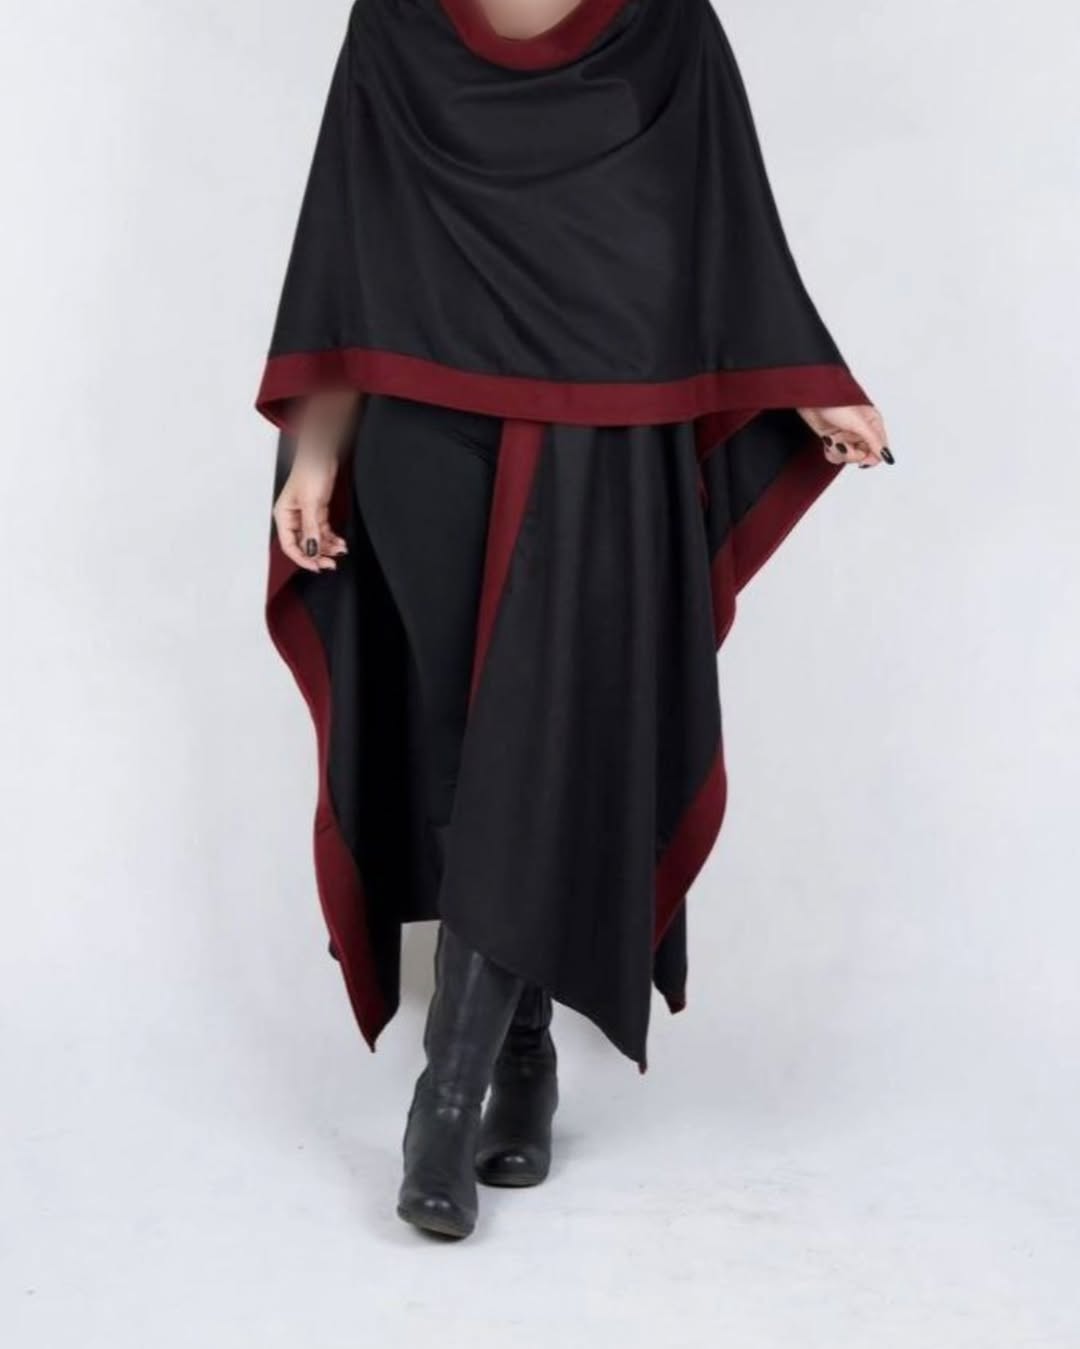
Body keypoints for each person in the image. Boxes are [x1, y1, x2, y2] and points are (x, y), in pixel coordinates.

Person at [255, 0, 891, 1241]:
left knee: (540, 731)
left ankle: (446, 1101)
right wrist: (315, 452)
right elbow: (346, 238)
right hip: (421, 423)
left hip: (604, 425)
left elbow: (727, 222)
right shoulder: (393, 24)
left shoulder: (667, 26)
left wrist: (809, 383)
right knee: (461, 735)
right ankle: (525, 1046)